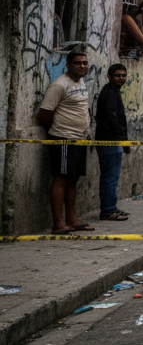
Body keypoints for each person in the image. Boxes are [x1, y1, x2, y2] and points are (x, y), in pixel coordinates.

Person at [37, 50, 94, 235]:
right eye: (78, 63)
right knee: (61, 179)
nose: (82, 66)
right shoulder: (59, 85)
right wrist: (62, 130)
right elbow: (44, 114)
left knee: (73, 179)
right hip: (63, 139)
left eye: (85, 63)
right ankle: (58, 224)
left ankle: (72, 219)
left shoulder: (80, 82)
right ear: (68, 65)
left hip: (79, 139)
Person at [94, 64, 131, 222]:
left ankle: (111, 207)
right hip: (109, 141)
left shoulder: (113, 92)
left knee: (112, 177)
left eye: (123, 75)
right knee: (110, 177)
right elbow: (112, 118)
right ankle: (108, 211)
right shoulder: (109, 93)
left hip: (112, 140)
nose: (121, 78)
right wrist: (123, 140)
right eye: (117, 75)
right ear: (109, 76)